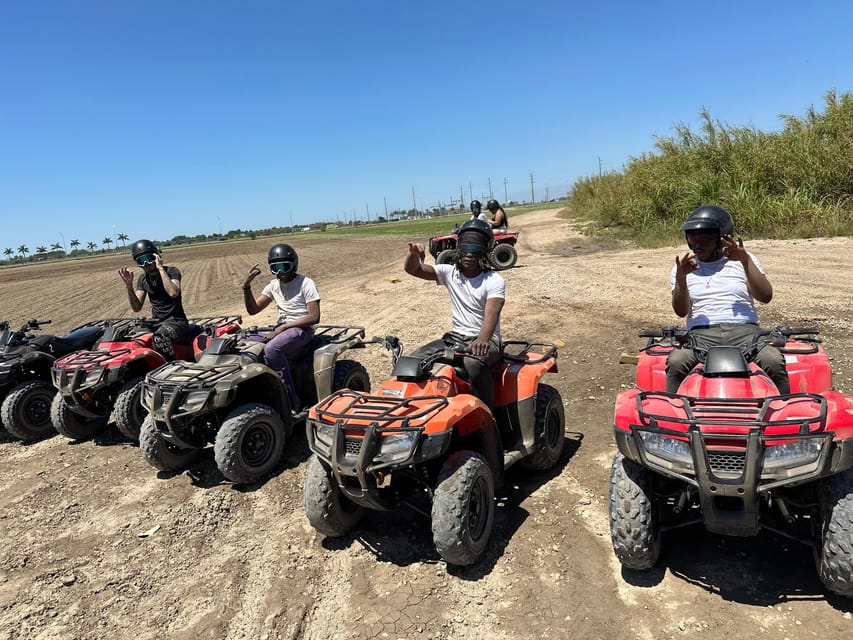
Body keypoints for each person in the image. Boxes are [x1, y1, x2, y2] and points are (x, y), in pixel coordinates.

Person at [666, 204, 789, 394]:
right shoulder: (683, 267)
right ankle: (672, 415)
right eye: (692, 238)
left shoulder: (742, 261)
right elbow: (681, 311)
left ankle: (783, 412)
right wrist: (681, 278)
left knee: (773, 360)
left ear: (722, 238)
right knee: (676, 362)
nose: (697, 244)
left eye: (705, 239)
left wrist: (745, 261)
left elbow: (765, 296)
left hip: (746, 332)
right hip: (700, 334)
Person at [404, 218, 505, 408]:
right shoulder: (449, 273)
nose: (469, 254)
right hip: (456, 338)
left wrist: (482, 339)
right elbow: (413, 269)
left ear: (484, 250)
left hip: (487, 340)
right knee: (410, 363)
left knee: (473, 363)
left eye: (474, 248)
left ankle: (486, 415)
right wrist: (413, 255)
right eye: (465, 247)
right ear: (458, 248)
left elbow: (493, 312)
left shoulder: (494, 280)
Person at [242, 243, 320, 405]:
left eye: (284, 267)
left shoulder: (306, 283)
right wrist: (246, 287)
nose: (280, 272)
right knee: (245, 343)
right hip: (281, 328)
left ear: (293, 264)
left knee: (272, 349)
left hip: (301, 329)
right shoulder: (273, 285)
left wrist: (283, 327)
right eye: (275, 268)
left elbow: (314, 316)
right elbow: (253, 310)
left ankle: (290, 401)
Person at [118, 239, 188, 360]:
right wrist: (129, 286)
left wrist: (160, 268)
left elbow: (173, 292)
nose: (146, 264)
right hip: (156, 322)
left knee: (160, 337)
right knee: (128, 336)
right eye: (141, 261)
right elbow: (136, 307)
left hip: (176, 322)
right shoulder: (143, 279)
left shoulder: (171, 271)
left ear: (157, 256)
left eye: (149, 258)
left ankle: (170, 368)